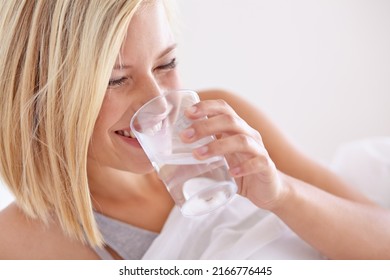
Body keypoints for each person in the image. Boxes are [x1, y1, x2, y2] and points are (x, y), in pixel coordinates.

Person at [0, 0, 388, 260]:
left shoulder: (220, 122)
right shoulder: (20, 242)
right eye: (116, 80)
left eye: (166, 63)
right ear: (42, 96)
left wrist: (283, 195)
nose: (159, 101)